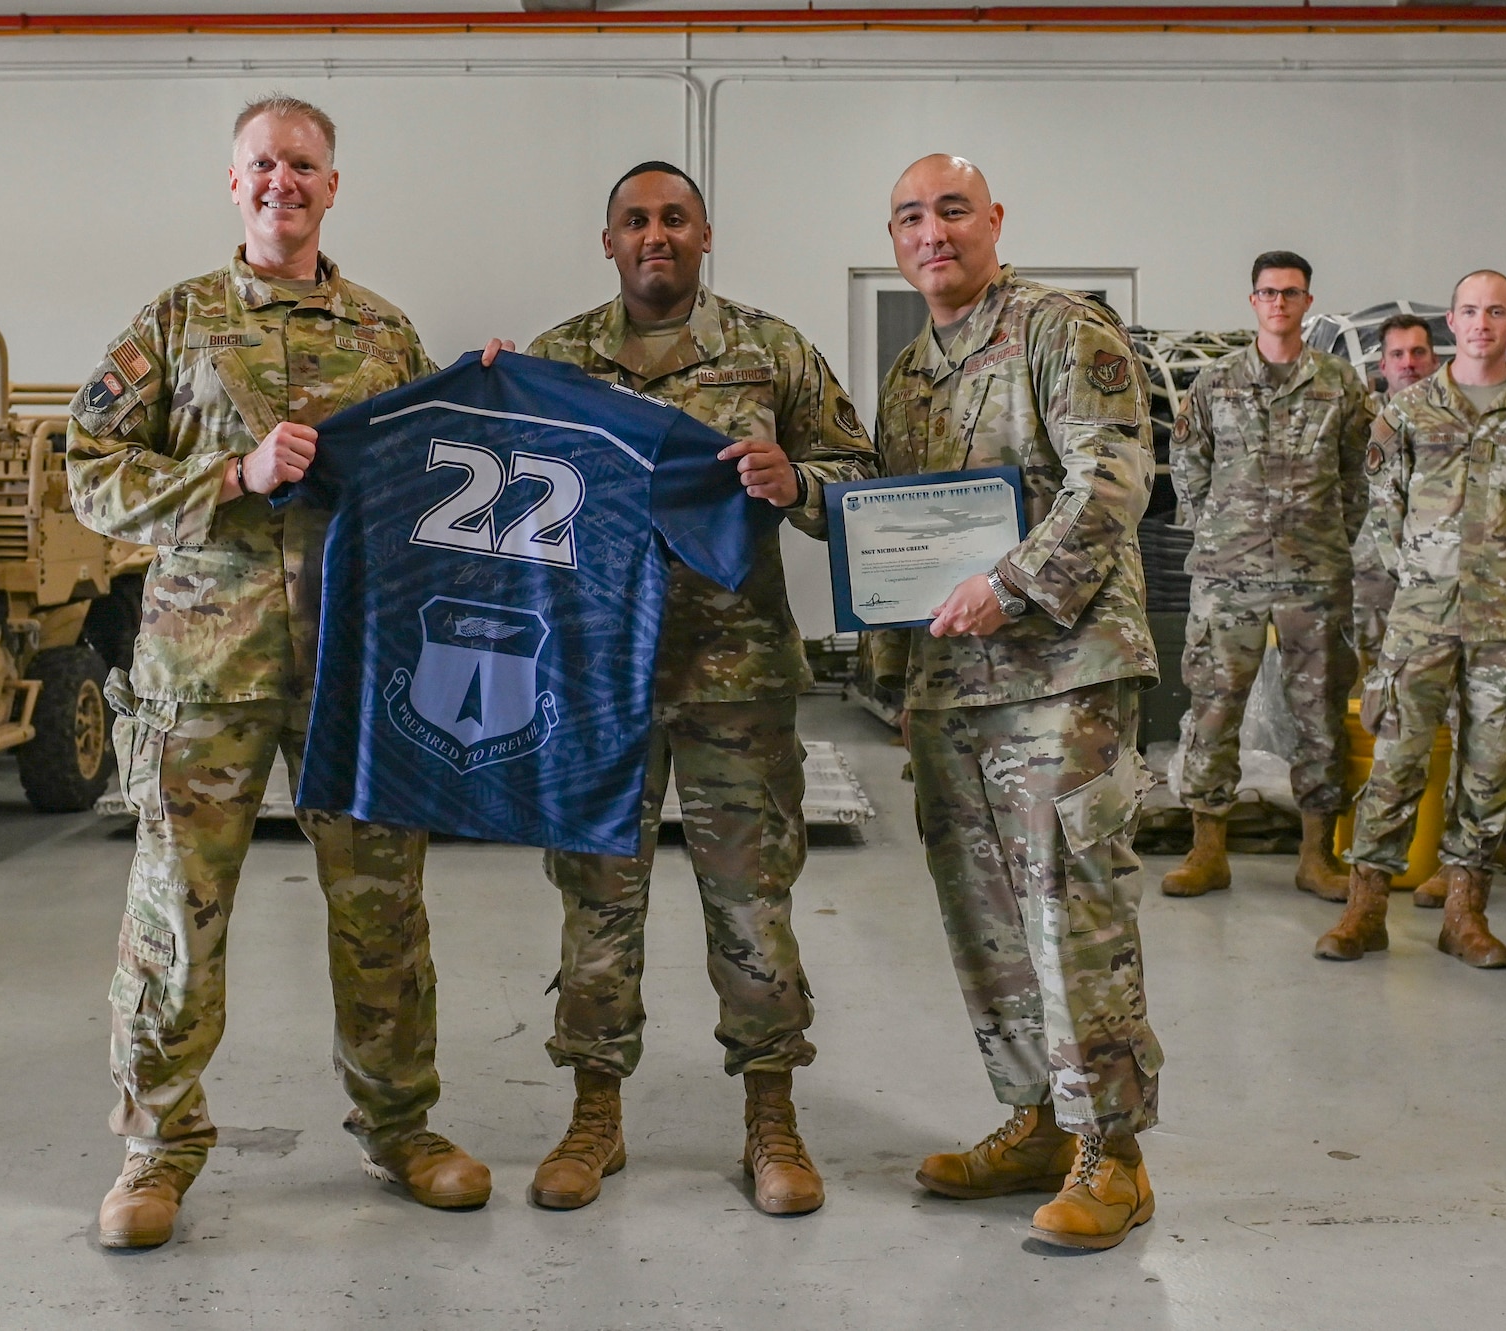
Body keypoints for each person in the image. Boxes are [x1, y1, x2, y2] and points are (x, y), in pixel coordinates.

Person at [65, 95, 489, 1250]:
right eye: (261, 163)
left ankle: (400, 1125)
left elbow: (437, 477)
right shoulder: (175, 323)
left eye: (302, 165)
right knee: (176, 911)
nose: (280, 182)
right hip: (204, 669)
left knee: (381, 903)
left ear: (331, 185)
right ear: (233, 181)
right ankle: (157, 1146)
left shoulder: (385, 334)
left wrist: (487, 396)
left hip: (353, 668)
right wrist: (230, 475)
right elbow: (88, 471)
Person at [506, 160, 875, 1216]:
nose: (654, 234)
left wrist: (796, 482)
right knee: (596, 905)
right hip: (597, 684)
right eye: (635, 220)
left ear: (705, 235)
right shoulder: (553, 361)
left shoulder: (771, 350)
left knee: (752, 907)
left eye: (674, 217)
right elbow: (503, 501)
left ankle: (772, 1118)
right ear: (608, 241)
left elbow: (859, 478)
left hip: (734, 678)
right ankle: (594, 1116)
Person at [873, 154, 1162, 1252]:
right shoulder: (911, 372)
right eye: (911, 216)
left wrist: (1012, 584)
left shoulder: (1060, 329)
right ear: (894, 241)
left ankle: (1113, 1153)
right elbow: (898, 529)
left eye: (952, 209)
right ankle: (1040, 1119)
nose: (932, 231)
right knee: (986, 918)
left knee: (1070, 910)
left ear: (993, 219)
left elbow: (1113, 479)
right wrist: (900, 682)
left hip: (1062, 674)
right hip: (956, 688)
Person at [1316, 271, 1506, 969]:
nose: (1482, 324)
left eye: (1496, 312)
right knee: (1397, 760)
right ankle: (1365, 910)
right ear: (1453, 321)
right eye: (1470, 311)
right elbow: (1383, 510)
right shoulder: (1408, 412)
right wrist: (1422, 575)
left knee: (1490, 767)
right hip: (1423, 621)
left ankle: (1465, 914)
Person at [1161, 252, 1373, 904]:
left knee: (1320, 713)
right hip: (1229, 574)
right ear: (1253, 300)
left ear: (1307, 302)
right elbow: (1188, 463)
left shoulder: (1340, 384)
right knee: (1213, 708)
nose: (1279, 302)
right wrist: (1220, 529)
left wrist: (1329, 537)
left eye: (1290, 292)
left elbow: (1358, 474)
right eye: (1268, 292)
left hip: (1315, 574)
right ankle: (1207, 851)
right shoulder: (1216, 381)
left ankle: (1316, 855)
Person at [1352, 314, 1439, 671]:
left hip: (1436, 574)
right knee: (1365, 680)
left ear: (1434, 361)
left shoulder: (1459, 422)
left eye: (1418, 352)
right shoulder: (1356, 422)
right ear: (1383, 365)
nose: (1409, 363)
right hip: (1368, 577)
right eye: (1398, 354)